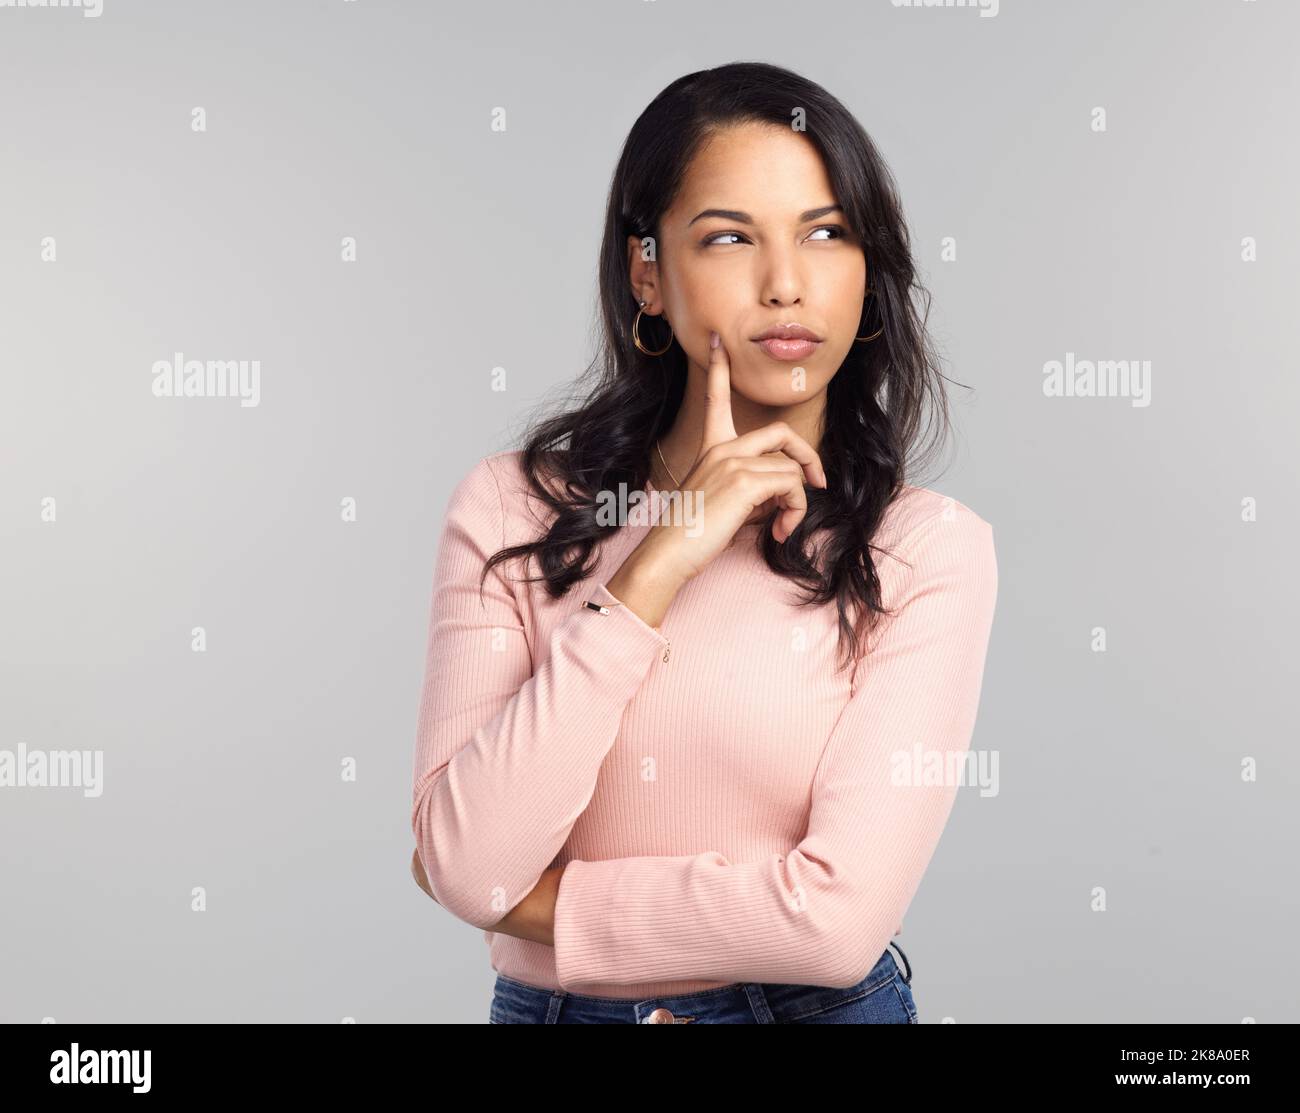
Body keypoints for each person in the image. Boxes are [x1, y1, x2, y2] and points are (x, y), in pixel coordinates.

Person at [409, 61, 998, 1024]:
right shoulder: (511, 509)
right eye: (729, 237)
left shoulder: (925, 549)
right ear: (648, 270)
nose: (786, 284)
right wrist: (662, 560)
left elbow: (838, 926)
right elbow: (472, 864)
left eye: (827, 233)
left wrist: (547, 905)